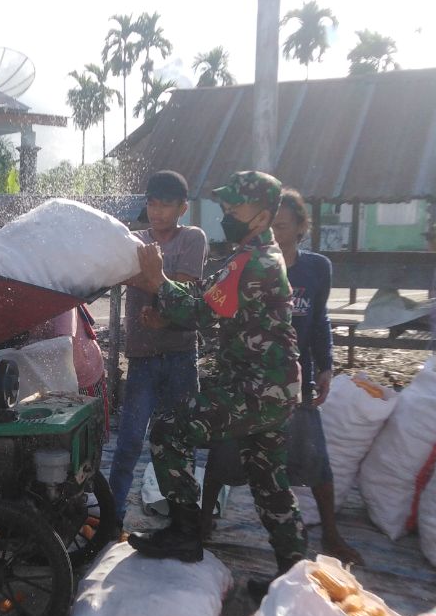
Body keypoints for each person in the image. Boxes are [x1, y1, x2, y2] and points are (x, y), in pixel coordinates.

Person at [127, 171, 304, 592]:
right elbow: (210, 298)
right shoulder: (255, 254)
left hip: (256, 390)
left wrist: (157, 282)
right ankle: (294, 585)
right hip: (273, 389)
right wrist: (168, 309)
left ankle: (185, 532)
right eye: (224, 207)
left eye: (235, 208)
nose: (226, 214)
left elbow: (201, 312)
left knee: (169, 427)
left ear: (261, 216)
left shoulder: (255, 261)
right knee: (271, 486)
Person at [199, 192, 363, 567]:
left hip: (293, 382)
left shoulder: (316, 269)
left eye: (283, 226)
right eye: (268, 224)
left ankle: (332, 536)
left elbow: (319, 320)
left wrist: (325, 365)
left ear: (302, 228)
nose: (274, 231)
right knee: (224, 454)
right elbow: (217, 313)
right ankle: (203, 520)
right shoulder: (246, 264)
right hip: (244, 378)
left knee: (314, 460)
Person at [107, 170, 207, 521]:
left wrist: (155, 289)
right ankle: (112, 516)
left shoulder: (192, 238)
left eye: (166, 205)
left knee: (178, 441)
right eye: (152, 203)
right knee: (129, 441)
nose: (157, 211)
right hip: (141, 358)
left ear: (182, 208)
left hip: (180, 355)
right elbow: (127, 275)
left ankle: (184, 520)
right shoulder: (133, 239)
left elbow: (182, 289)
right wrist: (156, 283)